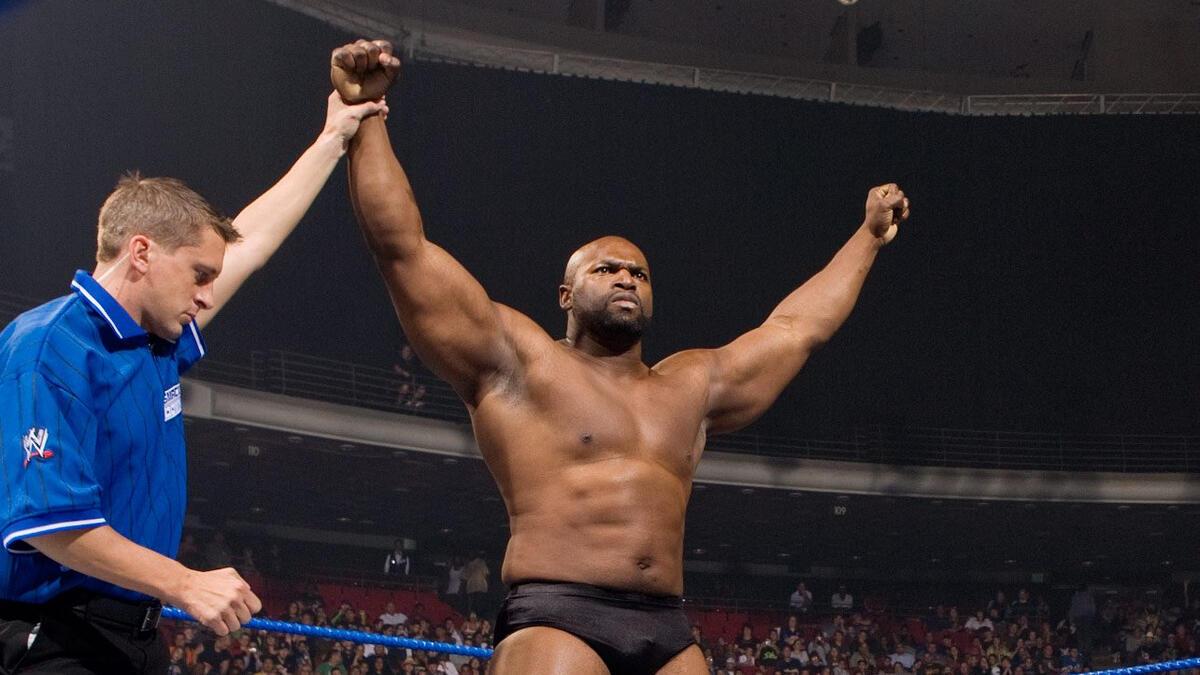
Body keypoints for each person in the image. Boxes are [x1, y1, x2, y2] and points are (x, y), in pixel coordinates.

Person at [331, 38, 910, 675]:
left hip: (668, 624)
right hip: (558, 612)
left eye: (638, 271)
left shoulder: (691, 384)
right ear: (566, 295)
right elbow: (402, 250)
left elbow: (796, 328)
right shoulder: (519, 360)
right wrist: (365, 119)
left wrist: (867, 239)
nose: (627, 278)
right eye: (606, 269)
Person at [0, 91, 386, 673]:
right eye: (199, 275)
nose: (207, 296)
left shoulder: (155, 338)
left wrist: (332, 139)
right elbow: (50, 526)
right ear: (142, 253)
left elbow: (249, 243)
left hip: (136, 635)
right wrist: (186, 583)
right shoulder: (49, 344)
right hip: (53, 638)